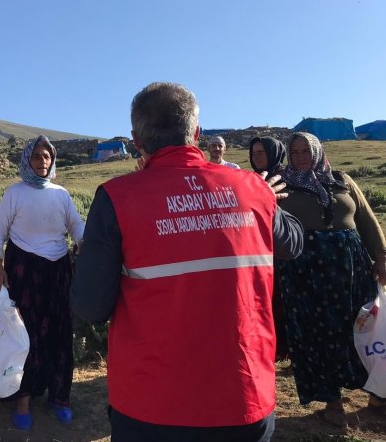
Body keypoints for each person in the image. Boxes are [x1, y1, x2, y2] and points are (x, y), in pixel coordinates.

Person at [71, 83, 304, 442]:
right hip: (244, 397)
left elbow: (89, 305)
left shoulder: (117, 197)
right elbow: (293, 243)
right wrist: (263, 198)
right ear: (196, 133)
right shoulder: (252, 188)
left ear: (136, 140)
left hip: (151, 405)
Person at [278, 132, 386, 427]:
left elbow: (366, 218)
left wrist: (381, 257)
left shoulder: (342, 179)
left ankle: (376, 393)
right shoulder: (281, 185)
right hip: (303, 273)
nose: (300, 155)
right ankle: (332, 400)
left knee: (362, 328)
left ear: (317, 151)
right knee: (317, 334)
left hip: (351, 269)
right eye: (295, 151)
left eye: (305, 150)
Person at [0, 135, 85, 430]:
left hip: (57, 272)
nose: (43, 161)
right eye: (37, 156)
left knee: (59, 334)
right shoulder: (15, 193)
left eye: (47, 156)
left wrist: (89, 241)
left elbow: (76, 226)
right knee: (25, 335)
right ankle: (23, 399)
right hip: (23, 270)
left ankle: (60, 398)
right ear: (27, 160)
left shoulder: (61, 194)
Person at [249, 135, 289, 359]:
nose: (256, 157)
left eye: (261, 152)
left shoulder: (286, 179)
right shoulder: (250, 180)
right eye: (254, 153)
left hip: (284, 251)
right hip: (261, 251)